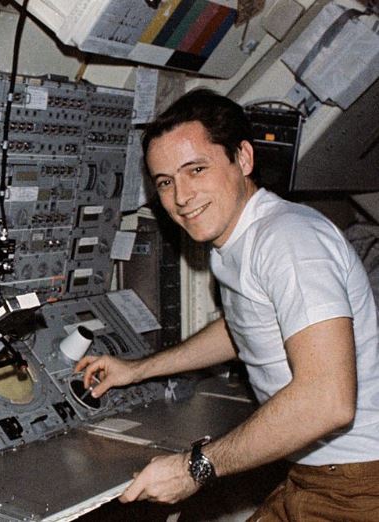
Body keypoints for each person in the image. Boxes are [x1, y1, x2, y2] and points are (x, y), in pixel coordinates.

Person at [76, 89, 379, 520]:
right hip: (315, 473)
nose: (181, 196)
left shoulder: (288, 240)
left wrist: (195, 468)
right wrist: (139, 369)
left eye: (196, 169)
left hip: (358, 485)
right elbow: (245, 327)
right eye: (165, 182)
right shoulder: (237, 238)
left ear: (244, 159)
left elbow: (327, 400)